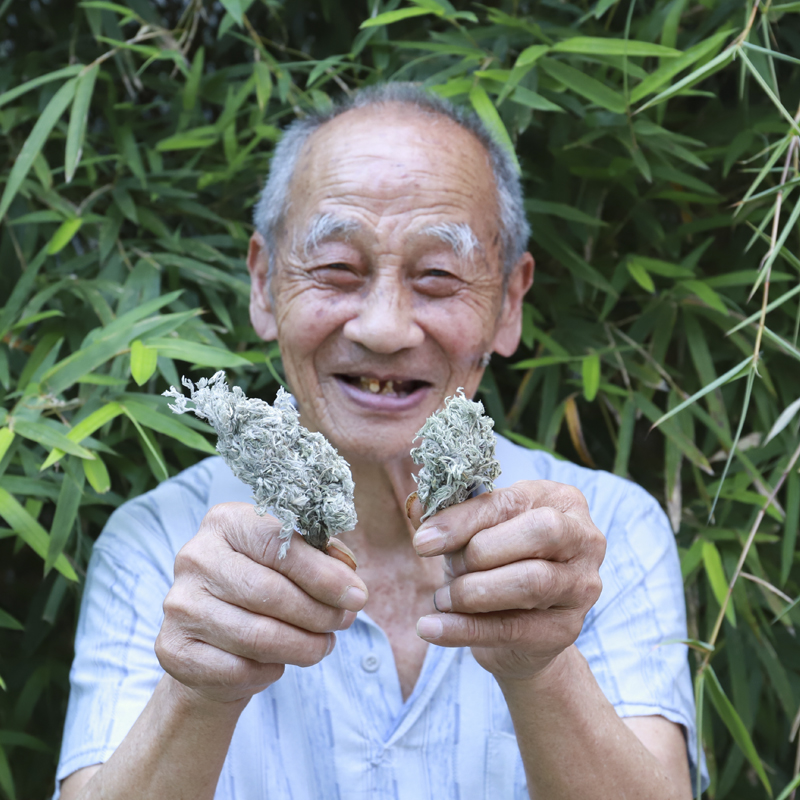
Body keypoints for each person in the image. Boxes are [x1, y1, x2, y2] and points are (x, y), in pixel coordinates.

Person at [56, 83, 703, 799]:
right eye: (336, 269)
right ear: (265, 283)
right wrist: (199, 690)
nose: (385, 328)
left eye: (437, 276)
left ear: (509, 303)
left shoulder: (604, 532)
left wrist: (541, 663)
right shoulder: (160, 542)